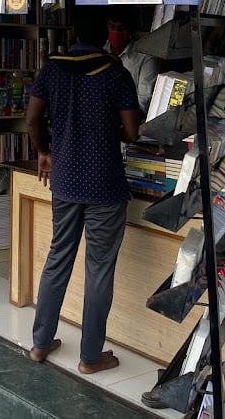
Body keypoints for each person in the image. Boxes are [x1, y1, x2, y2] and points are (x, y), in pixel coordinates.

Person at [26, 38, 140, 374]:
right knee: (99, 269)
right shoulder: (116, 74)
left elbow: (32, 120)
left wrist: (45, 152)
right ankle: (91, 357)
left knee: (57, 258)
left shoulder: (51, 69)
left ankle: (40, 343)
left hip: (64, 181)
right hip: (105, 184)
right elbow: (133, 132)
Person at [105, 11, 160, 114]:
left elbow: (145, 99)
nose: (116, 32)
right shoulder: (101, 52)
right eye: (112, 27)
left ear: (130, 31)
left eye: (121, 29)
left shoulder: (145, 57)